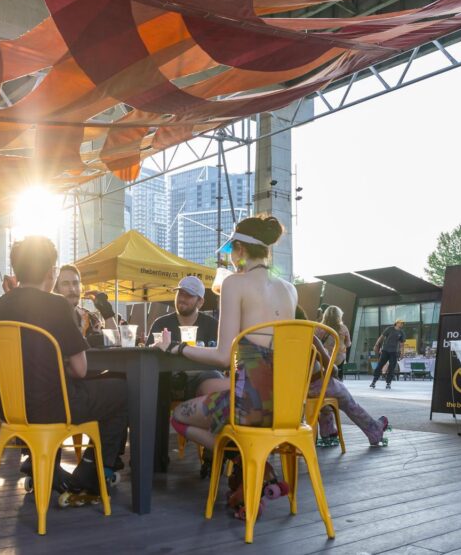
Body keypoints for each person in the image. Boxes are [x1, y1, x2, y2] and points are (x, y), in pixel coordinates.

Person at [157, 215, 294, 519]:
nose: (230, 256)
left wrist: (178, 348)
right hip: (286, 408)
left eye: (232, 249)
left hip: (249, 406)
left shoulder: (235, 283)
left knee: (177, 417)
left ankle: (246, 460)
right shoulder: (289, 289)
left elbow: (222, 357)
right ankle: (260, 471)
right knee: (225, 402)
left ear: (240, 250)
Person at [0, 236, 127, 500]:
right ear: (51, 271)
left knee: (56, 388)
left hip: (8, 408)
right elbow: (81, 370)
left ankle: (42, 464)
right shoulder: (56, 305)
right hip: (51, 406)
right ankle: (94, 471)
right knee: (121, 389)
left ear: (16, 268)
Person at [308, 306, 388, 447]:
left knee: (324, 399)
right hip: (318, 382)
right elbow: (332, 368)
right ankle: (374, 429)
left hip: (298, 392)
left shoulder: (277, 341)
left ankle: (328, 430)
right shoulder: (311, 338)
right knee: (346, 400)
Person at [148, 275, 225, 400]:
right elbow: (148, 358)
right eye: (180, 294)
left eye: (188, 295)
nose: (182, 299)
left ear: (200, 302)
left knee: (214, 378)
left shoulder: (213, 325)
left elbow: (220, 359)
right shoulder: (161, 324)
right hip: (168, 379)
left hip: (203, 378)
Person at [54, 264, 116, 347]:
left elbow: (113, 342)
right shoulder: (49, 318)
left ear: (80, 287)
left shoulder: (90, 318)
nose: (72, 289)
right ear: (56, 289)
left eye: (75, 283)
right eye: (65, 284)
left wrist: (107, 311)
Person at [370, 320, 405, 389]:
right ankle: (374, 381)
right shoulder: (389, 329)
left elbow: (402, 344)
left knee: (392, 368)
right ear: (397, 323)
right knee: (379, 366)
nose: (402, 324)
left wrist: (402, 353)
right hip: (385, 351)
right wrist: (376, 345)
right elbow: (381, 337)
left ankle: (388, 383)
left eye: (403, 323)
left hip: (394, 352)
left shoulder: (401, 333)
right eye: (401, 323)